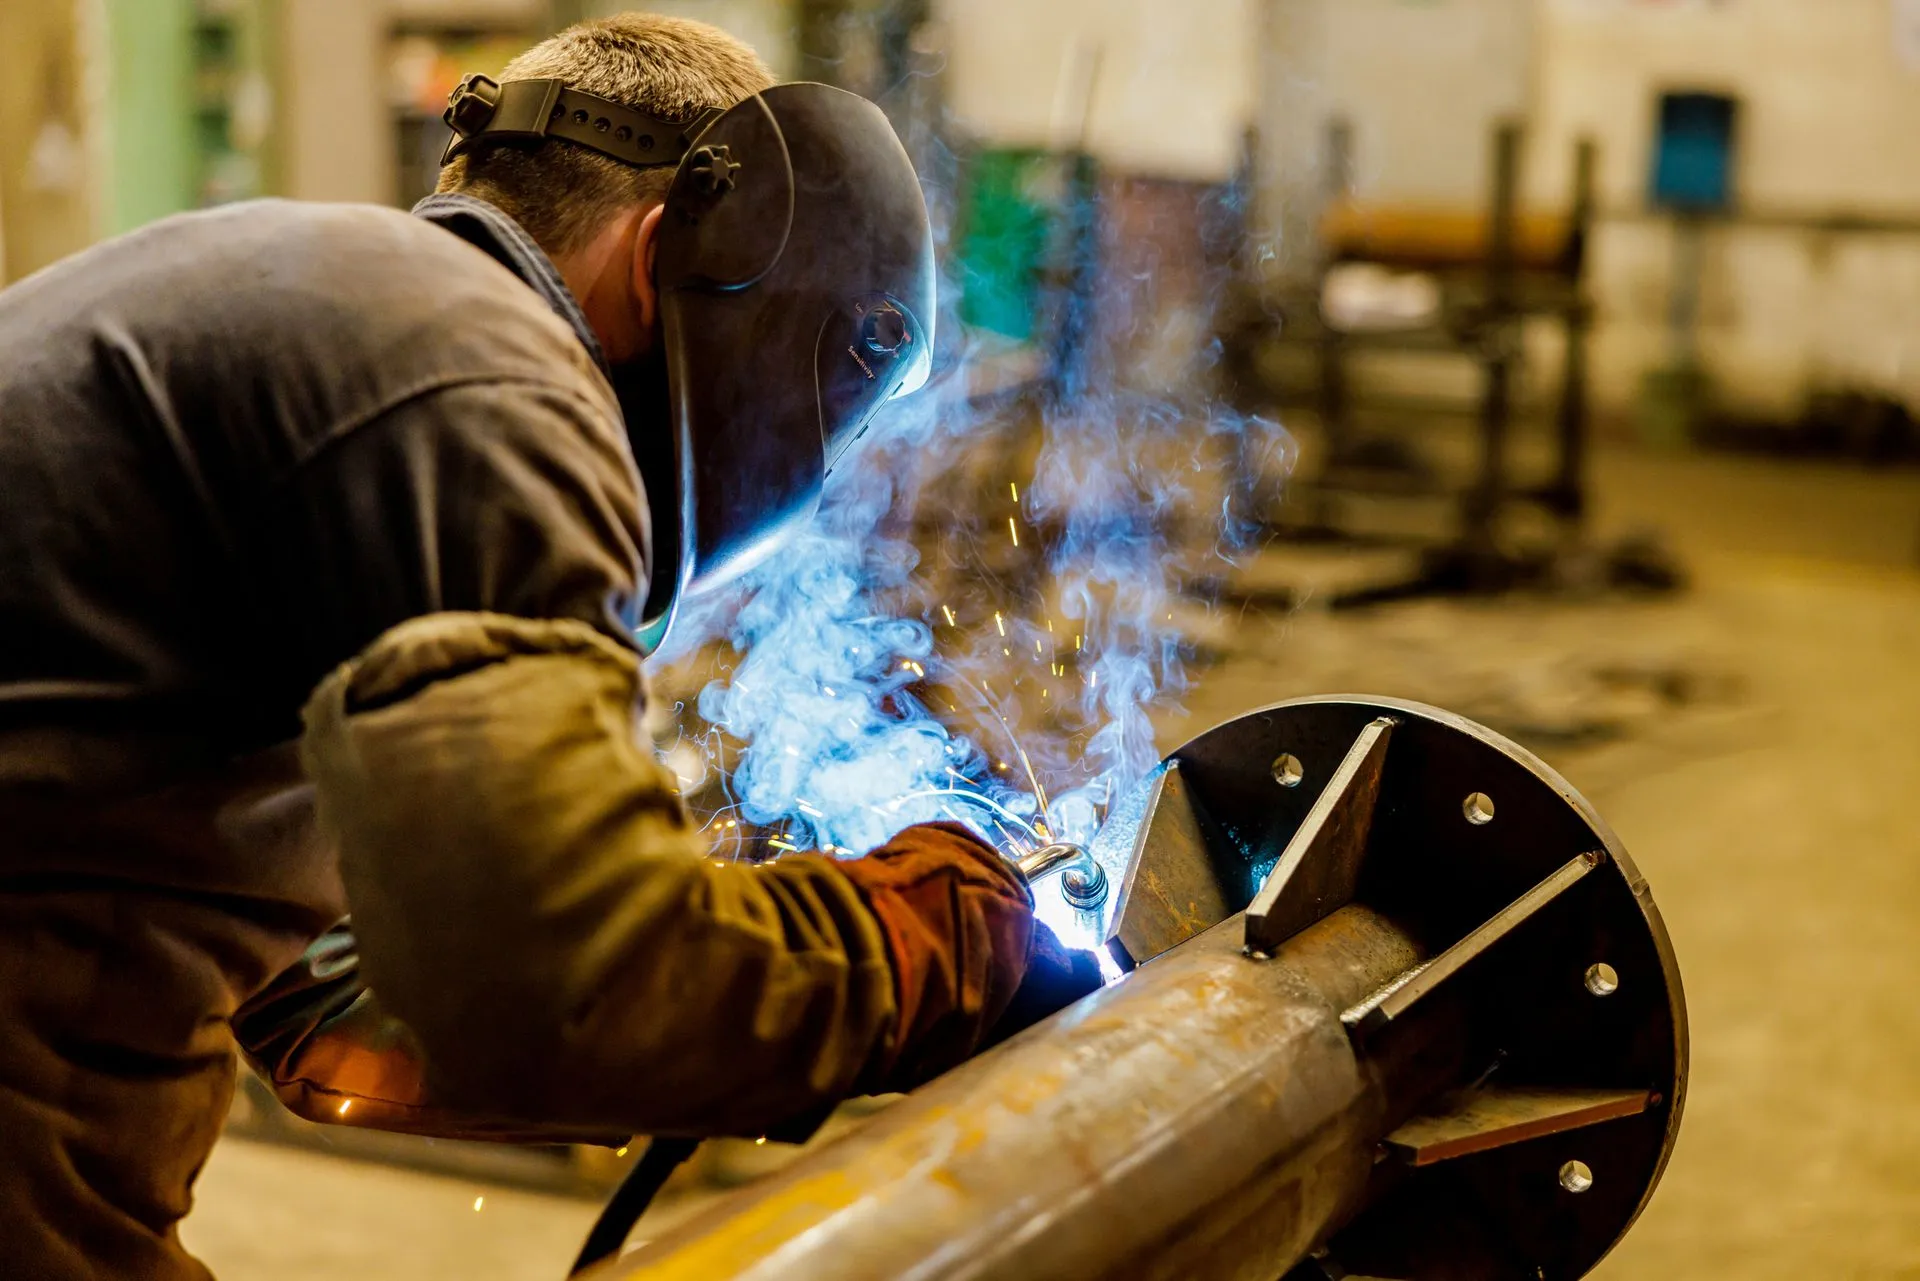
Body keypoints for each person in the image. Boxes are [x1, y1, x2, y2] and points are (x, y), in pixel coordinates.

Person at [0, 15, 1100, 1279]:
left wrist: (748, 961)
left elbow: (347, 1006)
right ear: (678, 257)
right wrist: (945, 940)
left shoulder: (351, 338)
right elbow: (567, 988)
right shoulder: (489, 377)